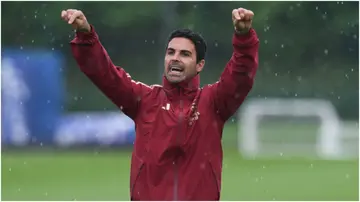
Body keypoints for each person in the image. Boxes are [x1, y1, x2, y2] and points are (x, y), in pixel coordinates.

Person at [61, 7, 259, 201]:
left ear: (200, 65)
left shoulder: (213, 102)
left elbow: (240, 76)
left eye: (185, 54)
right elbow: (105, 74)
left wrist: (243, 37)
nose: (175, 58)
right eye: (171, 52)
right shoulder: (144, 100)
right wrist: (86, 35)